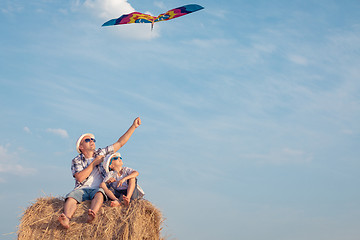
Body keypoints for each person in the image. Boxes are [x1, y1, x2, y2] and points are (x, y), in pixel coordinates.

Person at [58, 117, 141, 229]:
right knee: (71, 197)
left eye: (93, 140)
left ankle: (92, 215)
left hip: (98, 188)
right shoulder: (76, 160)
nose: (92, 141)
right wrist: (94, 163)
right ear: (81, 147)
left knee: (100, 194)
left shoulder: (101, 153)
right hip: (81, 189)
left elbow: (120, 143)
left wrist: (133, 127)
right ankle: (66, 219)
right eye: (88, 140)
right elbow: (80, 178)